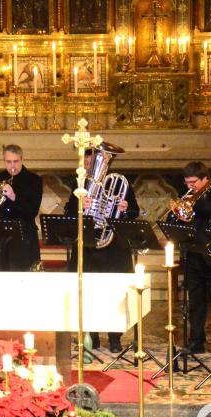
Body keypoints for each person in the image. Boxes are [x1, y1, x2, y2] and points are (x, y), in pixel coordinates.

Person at [64, 143, 138, 353]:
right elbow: (69, 212)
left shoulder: (119, 182)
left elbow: (134, 212)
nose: (91, 166)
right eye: (88, 162)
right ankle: (92, 336)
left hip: (113, 248)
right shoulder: (79, 185)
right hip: (89, 246)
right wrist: (81, 206)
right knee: (90, 294)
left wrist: (125, 208)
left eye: (95, 161)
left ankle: (114, 337)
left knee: (114, 294)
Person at [171, 161, 211, 359]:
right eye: (187, 182)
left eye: (194, 182)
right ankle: (196, 342)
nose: (190, 186)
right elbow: (175, 221)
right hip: (193, 256)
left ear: (206, 179)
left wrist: (197, 202)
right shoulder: (187, 196)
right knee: (195, 304)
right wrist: (177, 214)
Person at [0, 144, 42, 271]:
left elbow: (32, 211)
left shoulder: (34, 180)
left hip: (24, 236)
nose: (12, 166)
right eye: (8, 162)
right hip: (0, 236)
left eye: (16, 161)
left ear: (22, 159)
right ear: (4, 161)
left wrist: (13, 196)